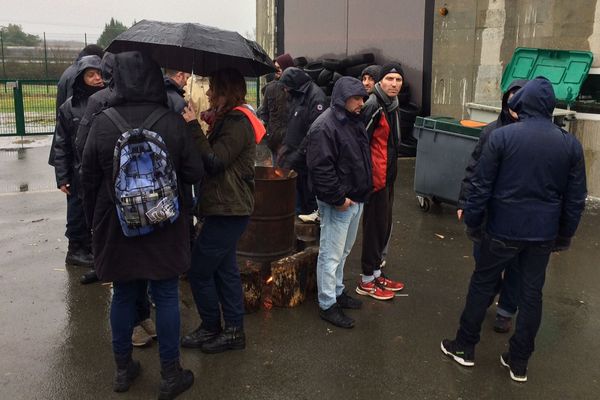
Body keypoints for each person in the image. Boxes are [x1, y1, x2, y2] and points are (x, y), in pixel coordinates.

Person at [441, 77, 587, 383]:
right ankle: (519, 362)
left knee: (482, 285)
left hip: (501, 229)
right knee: (532, 295)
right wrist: (564, 235)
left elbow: (481, 185)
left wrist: (473, 221)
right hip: (542, 235)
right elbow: (575, 199)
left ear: (522, 105)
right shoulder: (569, 144)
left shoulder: (502, 138)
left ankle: (465, 346)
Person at [81, 51, 203, 398]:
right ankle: (170, 374)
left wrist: (96, 225)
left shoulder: (102, 123)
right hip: (164, 225)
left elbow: (87, 180)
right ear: (153, 78)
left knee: (122, 296)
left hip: (117, 227)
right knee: (165, 296)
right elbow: (194, 172)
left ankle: (123, 371)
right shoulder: (171, 120)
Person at [181, 68, 257, 354]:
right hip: (225, 207)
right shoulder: (225, 120)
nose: (209, 94)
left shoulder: (237, 122)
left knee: (199, 270)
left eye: (213, 89)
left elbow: (214, 161)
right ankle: (233, 331)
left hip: (230, 209)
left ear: (226, 92)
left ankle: (212, 326)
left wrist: (192, 127)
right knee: (225, 272)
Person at [457, 79, 528, 333]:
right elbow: (473, 168)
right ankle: (489, 290)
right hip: (489, 212)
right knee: (484, 260)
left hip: (520, 216)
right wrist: (464, 201)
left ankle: (506, 310)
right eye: (512, 97)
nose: (515, 103)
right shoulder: (491, 132)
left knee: (516, 267)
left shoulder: (535, 136)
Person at [306, 77, 372, 328]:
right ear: (342, 98)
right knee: (331, 254)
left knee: (342, 252)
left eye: (362, 98)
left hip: (355, 199)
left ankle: (337, 291)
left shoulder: (353, 122)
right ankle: (327, 303)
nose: (361, 103)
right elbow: (320, 168)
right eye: (356, 98)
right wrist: (337, 199)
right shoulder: (324, 127)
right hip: (340, 203)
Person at [357, 63, 406, 301]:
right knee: (374, 227)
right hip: (375, 179)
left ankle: (377, 272)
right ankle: (366, 279)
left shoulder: (392, 105)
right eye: (390, 79)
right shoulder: (374, 105)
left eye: (398, 80)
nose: (394, 84)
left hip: (389, 177)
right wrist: (363, 177)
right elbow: (360, 143)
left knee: (384, 226)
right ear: (381, 82)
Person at [51, 55, 104, 270]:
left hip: (100, 169)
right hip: (76, 171)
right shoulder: (68, 107)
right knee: (76, 211)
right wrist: (62, 177)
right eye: (91, 74)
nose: (96, 78)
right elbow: (61, 145)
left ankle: (91, 246)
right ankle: (75, 250)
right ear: (81, 78)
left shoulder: (107, 101)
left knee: (97, 211)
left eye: (99, 73)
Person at [278, 66, 327, 215]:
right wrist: (285, 146)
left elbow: (314, 132)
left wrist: (297, 154)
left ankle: (311, 231)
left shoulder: (316, 97)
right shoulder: (297, 94)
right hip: (295, 156)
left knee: (309, 199)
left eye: (287, 86)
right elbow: (293, 123)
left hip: (307, 160)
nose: (285, 90)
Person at [257, 53, 294, 158]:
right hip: (274, 141)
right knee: (276, 173)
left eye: (279, 68)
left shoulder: (296, 89)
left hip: (290, 143)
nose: (277, 70)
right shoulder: (270, 88)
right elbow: (264, 112)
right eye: (275, 68)